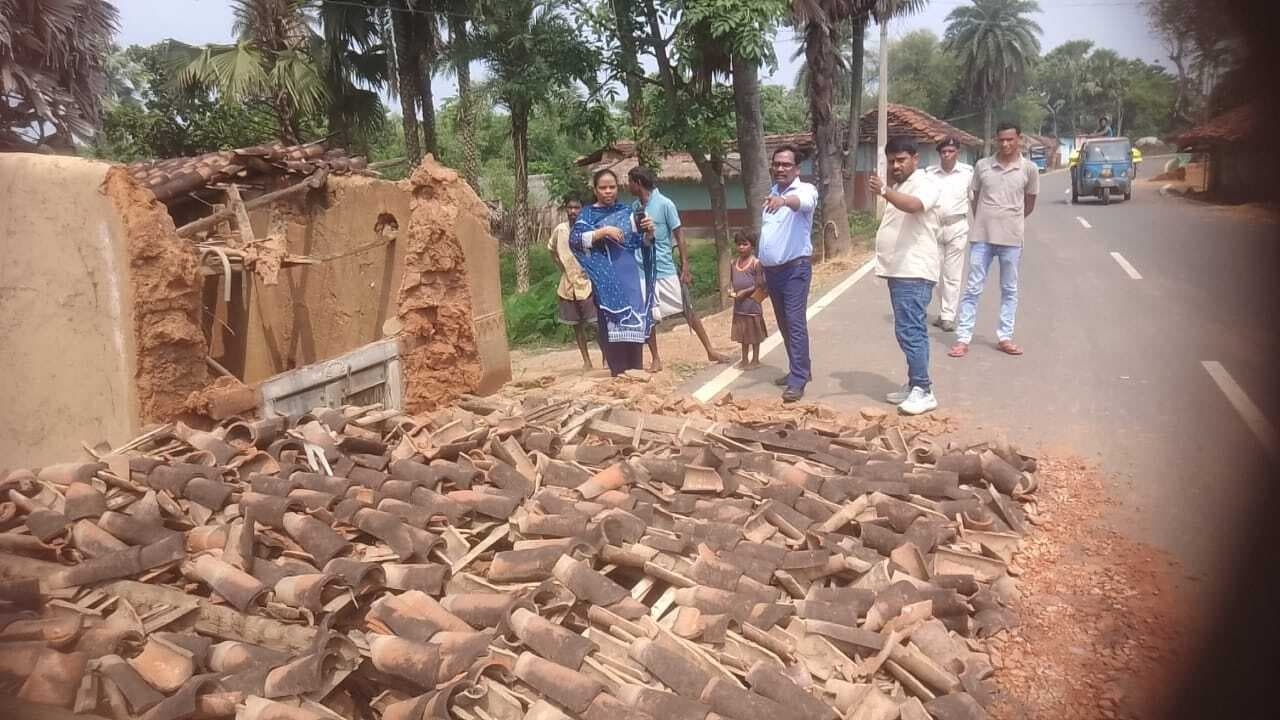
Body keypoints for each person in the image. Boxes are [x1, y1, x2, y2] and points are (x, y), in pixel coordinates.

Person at [949, 121, 1040, 359]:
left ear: (1019, 139)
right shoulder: (983, 166)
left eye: (1010, 139)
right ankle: (962, 338)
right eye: (1001, 139)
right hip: (982, 238)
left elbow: (1029, 203)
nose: (1006, 143)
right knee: (972, 288)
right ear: (996, 140)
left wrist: (1011, 220)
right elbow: (975, 198)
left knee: (1009, 289)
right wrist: (987, 220)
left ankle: (1005, 337)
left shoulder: (1028, 169)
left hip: (1011, 240)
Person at [626, 166, 731, 371]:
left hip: (664, 266)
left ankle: (709, 349)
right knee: (648, 315)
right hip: (642, 269)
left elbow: (679, 235)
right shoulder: (635, 207)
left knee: (687, 308)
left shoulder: (665, 204)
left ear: (637, 183)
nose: (627, 186)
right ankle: (656, 358)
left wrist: (685, 265)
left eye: (630, 182)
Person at [868, 136, 943, 416]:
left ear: (915, 159)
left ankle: (924, 389)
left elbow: (913, 206)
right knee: (906, 330)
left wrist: (885, 191)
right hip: (899, 270)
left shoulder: (926, 184)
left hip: (914, 270)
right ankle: (914, 383)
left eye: (901, 160)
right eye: (891, 161)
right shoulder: (901, 186)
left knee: (911, 330)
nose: (895, 165)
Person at [569, 169, 657, 376]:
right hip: (606, 280)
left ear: (618, 188)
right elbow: (575, 241)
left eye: (612, 187)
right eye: (603, 187)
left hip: (630, 278)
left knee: (634, 324)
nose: (608, 191)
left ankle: (635, 372)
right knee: (611, 325)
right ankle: (617, 373)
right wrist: (603, 232)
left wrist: (650, 231)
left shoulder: (627, 212)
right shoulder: (588, 214)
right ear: (595, 190)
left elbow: (639, 243)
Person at [759, 145, 819, 403]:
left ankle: (798, 379)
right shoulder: (772, 192)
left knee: (794, 322)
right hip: (773, 272)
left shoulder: (805, 190)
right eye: (777, 164)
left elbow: (800, 204)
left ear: (796, 169)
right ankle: (800, 368)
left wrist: (784, 201)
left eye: (786, 164)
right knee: (784, 323)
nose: (780, 168)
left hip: (795, 269)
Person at [925, 137, 974, 332]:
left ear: (957, 153)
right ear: (939, 154)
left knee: (953, 275)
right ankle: (943, 310)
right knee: (935, 274)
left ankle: (948, 315)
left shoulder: (967, 173)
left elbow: (974, 199)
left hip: (957, 226)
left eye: (951, 151)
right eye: (943, 152)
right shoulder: (930, 174)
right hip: (935, 227)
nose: (947, 155)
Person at [546, 194, 596, 369]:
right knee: (577, 326)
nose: (573, 211)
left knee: (597, 323)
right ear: (566, 209)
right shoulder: (561, 230)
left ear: (582, 210)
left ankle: (607, 358)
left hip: (588, 283)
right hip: (568, 284)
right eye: (570, 207)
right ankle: (586, 361)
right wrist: (561, 266)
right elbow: (551, 249)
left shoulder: (589, 230)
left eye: (577, 207)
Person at [728, 230, 767, 370]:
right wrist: (731, 290)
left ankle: (755, 359)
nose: (741, 247)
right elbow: (732, 281)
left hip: (752, 304)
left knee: (754, 333)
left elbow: (759, 284)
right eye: (739, 244)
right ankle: (744, 359)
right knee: (743, 333)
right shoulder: (733, 263)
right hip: (739, 305)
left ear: (752, 246)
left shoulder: (756, 263)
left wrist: (745, 292)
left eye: (745, 244)